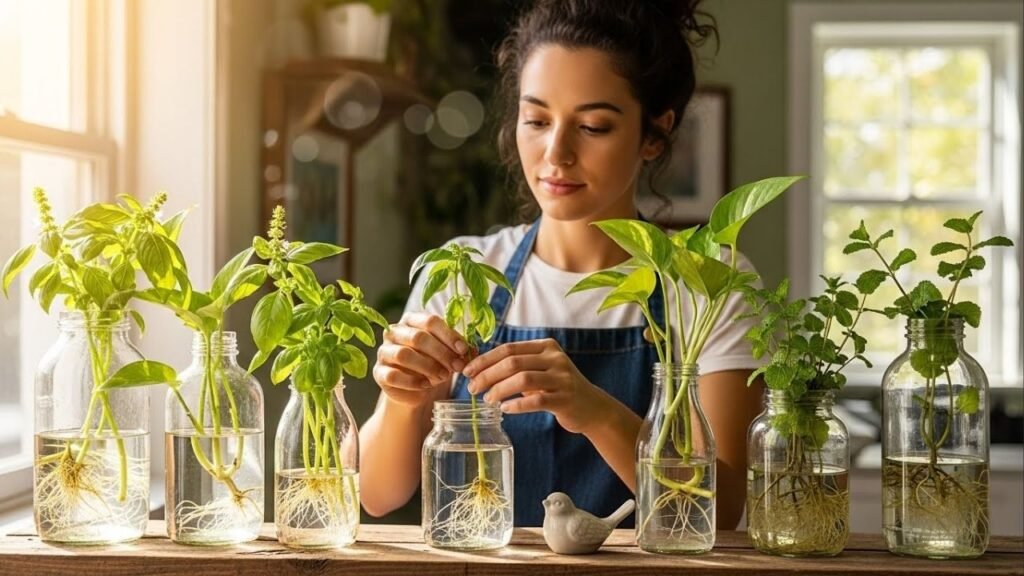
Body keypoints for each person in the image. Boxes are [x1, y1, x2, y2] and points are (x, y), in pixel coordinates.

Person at [359, 0, 764, 528]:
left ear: (654, 134)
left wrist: (592, 409)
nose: (556, 153)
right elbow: (377, 494)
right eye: (537, 120)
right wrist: (401, 400)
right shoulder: (465, 269)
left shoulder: (710, 280)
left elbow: (721, 507)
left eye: (593, 126)